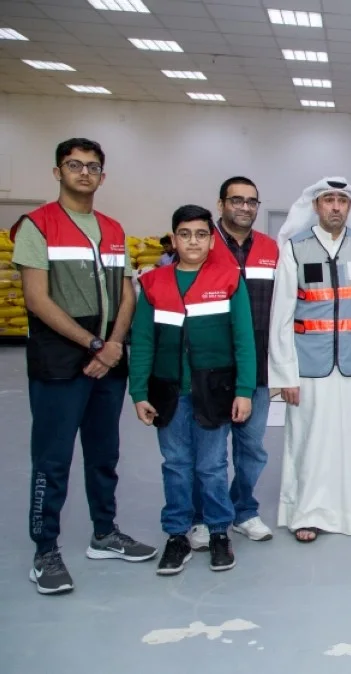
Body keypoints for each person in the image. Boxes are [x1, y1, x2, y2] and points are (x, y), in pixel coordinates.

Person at [16, 137, 157, 595]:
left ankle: (104, 533)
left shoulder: (113, 229)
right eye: (74, 165)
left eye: (92, 166)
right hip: (59, 358)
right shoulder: (37, 225)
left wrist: (113, 345)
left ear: (102, 175)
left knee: (104, 454)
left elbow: (127, 292)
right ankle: (45, 550)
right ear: (57, 172)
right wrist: (95, 344)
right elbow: (36, 299)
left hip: (109, 357)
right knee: (52, 458)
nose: (84, 172)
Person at [130, 205, 256, 575]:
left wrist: (244, 390)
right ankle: (177, 535)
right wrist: (139, 393)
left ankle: (218, 532)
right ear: (173, 239)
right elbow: (142, 343)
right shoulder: (153, 284)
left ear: (211, 240)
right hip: (168, 393)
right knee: (176, 465)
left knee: (212, 466)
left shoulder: (229, 279)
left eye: (201, 234)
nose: (193, 241)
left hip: (214, 391)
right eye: (185, 234)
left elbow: (244, 340)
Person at [268, 177, 351, 541]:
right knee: (311, 441)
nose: (336, 206)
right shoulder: (295, 249)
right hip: (310, 365)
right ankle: (307, 512)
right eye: (328, 200)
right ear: (315, 206)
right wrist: (285, 375)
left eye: (342, 200)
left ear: (350, 207)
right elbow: (281, 316)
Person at [185, 176, 278, 551]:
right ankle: (204, 516)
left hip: (258, 367)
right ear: (221, 203)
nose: (244, 207)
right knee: (208, 452)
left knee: (252, 447)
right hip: (211, 369)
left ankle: (243, 510)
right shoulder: (203, 245)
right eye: (236, 200)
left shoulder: (271, 249)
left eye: (251, 201)